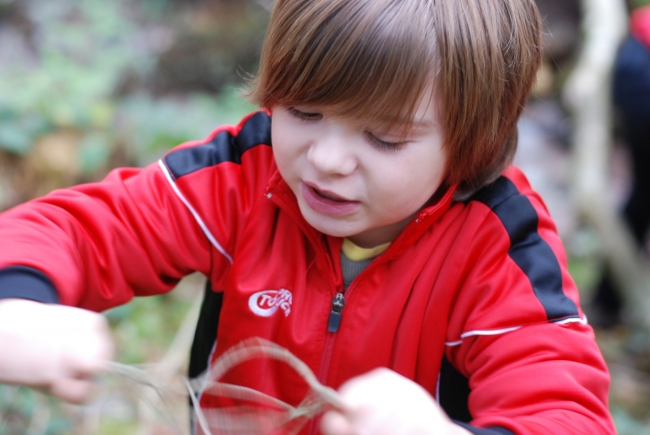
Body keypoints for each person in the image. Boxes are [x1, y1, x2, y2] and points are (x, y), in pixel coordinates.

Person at [0, 0, 615, 434]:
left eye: (384, 139)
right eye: (303, 110)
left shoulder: (495, 245)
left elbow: (567, 412)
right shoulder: (247, 176)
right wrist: (19, 301)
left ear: (470, 144)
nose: (325, 160)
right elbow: (81, 230)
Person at [590, 3, 650, 328]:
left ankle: (607, 303)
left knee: (640, 199)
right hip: (641, 83)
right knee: (641, 199)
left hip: (634, 81)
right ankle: (608, 302)